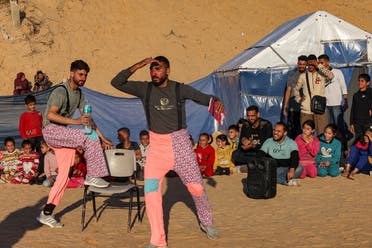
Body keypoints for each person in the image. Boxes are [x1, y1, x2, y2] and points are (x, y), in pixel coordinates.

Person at [111, 56, 222, 247]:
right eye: (152, 69)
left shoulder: (179, 88)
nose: (154, 72)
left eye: (158, 68)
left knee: (197, 189)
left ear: (168, 70)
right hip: (157, 150)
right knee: (151, 193)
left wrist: (216, 100)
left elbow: (201, 98)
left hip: (181, 146)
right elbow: (117, 82)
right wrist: (138, 65)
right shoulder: (144, 89)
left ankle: (207, 222)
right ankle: (158, 241)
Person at [37, 60, 112, 228]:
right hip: (51, 131)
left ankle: (46, 213)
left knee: (64, 176)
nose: (83, 78)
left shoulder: (79, 95)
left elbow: (87, 120)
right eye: (80, 74)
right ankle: (93, 175)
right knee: (86, 136)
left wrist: (102, 136)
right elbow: (50, 115)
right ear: (72, 73)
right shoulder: (61, 91)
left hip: (63, 134)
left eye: (85, 75)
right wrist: (76, 122)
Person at [294, 54, 334, 135]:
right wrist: (299, 99)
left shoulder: (321, 74)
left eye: (312, 64)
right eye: (309, 64)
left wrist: (317, 65)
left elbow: (331, 75)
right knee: (306, 134)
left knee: (322, 133)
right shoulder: (303, 76)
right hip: (306, 111)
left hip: (319, 110)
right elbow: (296, 90)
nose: (310, 66)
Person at [317, 54, 348, 126]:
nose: (320, 65)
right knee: (328, 126)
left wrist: (346, 101)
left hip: (336, 104)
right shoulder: (318, 74)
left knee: (338, 125)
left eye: (321, 63)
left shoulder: (337, 72)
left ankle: (340, 137)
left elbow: (343, 86)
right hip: (325, 105)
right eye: (319, 63)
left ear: (327, 62)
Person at [282, 55, 307, 139]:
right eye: (300, 64)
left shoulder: (309, 76)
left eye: (304, 64)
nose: (302, 66)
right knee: (293, 128)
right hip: (294, 106)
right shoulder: (292, 77)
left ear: (306, 65)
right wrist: (285, 106)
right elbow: (288, 91)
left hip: (305, 107)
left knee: (304, 127)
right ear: (297, 64)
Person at [349, 73, 372, 140]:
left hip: (368, 122)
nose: (359, 82)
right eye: (359, 80)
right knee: (359, 141)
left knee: (368, 141)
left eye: (362, 81)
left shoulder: (370, 92)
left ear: (368, 83)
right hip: (358, 123)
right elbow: (353, 109)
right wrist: (352, 123)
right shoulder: (356, 95)